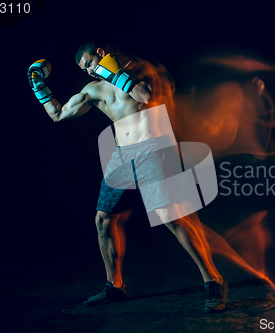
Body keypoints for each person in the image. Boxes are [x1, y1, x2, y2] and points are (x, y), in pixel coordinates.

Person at [27, 42, 228, 312]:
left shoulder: (140, 68)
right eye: (83, 69)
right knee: (104, 220)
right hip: (122, 156)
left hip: (156, 149)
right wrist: (39, 87)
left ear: (100, 52)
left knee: (173, 218)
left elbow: (145, 95)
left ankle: (213, 281)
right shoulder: (93, 90)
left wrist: (109, 70)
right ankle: (115, 287)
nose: (88, 71)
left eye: (88, 63)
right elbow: (58, 115)